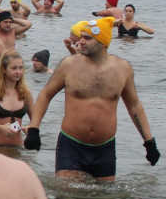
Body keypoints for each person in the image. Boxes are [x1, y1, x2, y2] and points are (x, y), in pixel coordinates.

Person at [25, 17, 159, 180]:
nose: (80, 41)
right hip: (72, 144)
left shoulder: (122, 69)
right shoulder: (69, 65)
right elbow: (45, 95)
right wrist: (34, 129)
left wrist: (149, 142)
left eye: (87, 38)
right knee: (70, 197)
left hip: (105, 147)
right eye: (81, 37)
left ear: (103, 42)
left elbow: (134, 106)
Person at [0, 51, 34, 146]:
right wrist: (0, 128)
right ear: (3, 69)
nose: (18, 72)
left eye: (20, 68)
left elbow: (35, 119)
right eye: (14, 68)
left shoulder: (25, 93)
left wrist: (31, 128)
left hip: (17, 148)